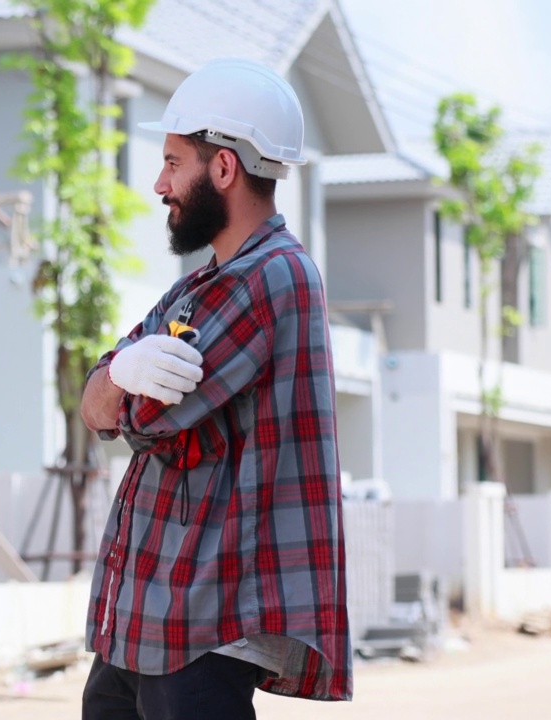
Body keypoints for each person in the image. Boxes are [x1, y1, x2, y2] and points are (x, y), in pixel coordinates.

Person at [78, 58, 352, 719]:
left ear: (223, 168)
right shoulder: (199, 285)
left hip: (205, 621)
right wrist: (118, 373)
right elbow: (94, 404)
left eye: (173, 162)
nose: (158, 183)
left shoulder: (273, 278)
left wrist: (121, 381)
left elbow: (144, 419)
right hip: (148, 615)